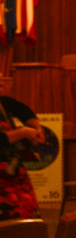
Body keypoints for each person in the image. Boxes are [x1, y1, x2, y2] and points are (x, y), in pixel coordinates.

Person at [0, 80, 45, 220]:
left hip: (13, 173)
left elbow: (23, 110)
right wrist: (23, 132)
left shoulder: (4, 103)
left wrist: (37, 128)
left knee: (27, 219)